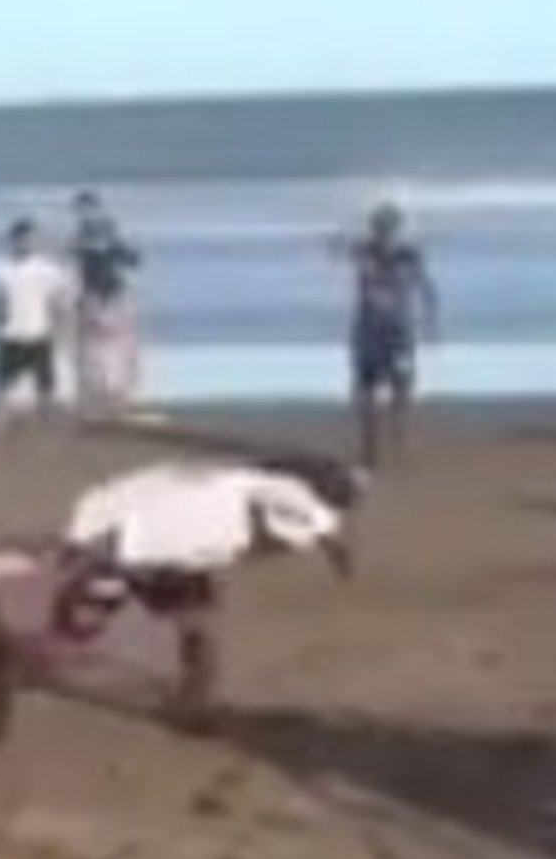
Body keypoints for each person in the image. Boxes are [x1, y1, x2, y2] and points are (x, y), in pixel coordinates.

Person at [32, 454, 363, 726]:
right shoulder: (272, 491)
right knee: (86, 620)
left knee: (200, 631)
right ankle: (43, 649)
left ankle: (193, 707)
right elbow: (301, 507)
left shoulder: (237, 486)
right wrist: (335, 546)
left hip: (167, 560)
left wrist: (333, 542)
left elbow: (308, 513)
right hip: (133, 552)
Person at [333, 202, 439, 467]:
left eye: (389, 228)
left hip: (397, 332)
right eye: (381, 227)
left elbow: (426, 287)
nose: (385, 233)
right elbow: (333, 248)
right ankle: (370, 448)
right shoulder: (364, 250)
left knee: (400, 391)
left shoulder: (408, 255)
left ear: (397, 229)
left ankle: (398, 444)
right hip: (369, 333)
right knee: (365, 391)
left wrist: (430, 321)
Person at [0, 218, 73, 441]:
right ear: (12, 241)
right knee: (0, 388)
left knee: (46, 390)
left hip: (39, 334)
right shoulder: (0, 268)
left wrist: (62, 328)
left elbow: (59, 299)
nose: (25, 244)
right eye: (20, 239)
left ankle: (50, 437)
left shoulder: (47, 269)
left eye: (29, 239)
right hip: (10, 336)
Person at [68, 192, 142, 416]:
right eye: (81, 211)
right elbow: (79, 262)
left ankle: (116, 397)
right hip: (94, 296)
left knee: (115, 350)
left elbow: (133, 259)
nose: (85, 214)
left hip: (109, 295)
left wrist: (112, 250)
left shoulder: (106, 233)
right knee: (91, 352)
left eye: (88, 209)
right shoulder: (82, 236)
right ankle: (96, 399)